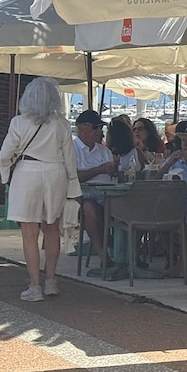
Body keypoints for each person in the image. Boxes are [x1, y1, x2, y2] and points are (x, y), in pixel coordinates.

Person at [0, 77, 82, 302]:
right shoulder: (62, 124)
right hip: (56, 173)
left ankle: (35, 285)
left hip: (27, 172)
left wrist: (6, 173)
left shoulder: (18, 122)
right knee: (52, 228)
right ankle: (51, 280)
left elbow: (5, 154)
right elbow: (70, 160)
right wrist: (73, 186)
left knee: (29, 232)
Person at [75, 109, 117, 265]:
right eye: (95, 127)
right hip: (83, 198)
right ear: (81, 128)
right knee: (90, 209)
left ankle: (130, 254)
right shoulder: (71, 149)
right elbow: (73, 177)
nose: (99, 131)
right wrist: (100, 170)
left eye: (101, 127)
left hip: (109, 196)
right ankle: (103, 254)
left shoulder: (104, 151)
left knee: (131, 208)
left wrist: (115, 171)